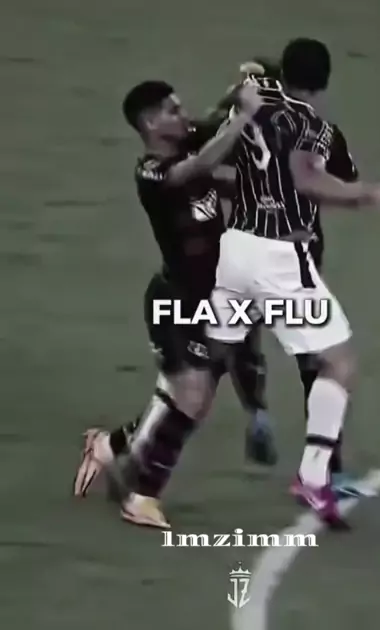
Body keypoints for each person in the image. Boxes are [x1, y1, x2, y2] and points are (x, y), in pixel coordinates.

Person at [206, 38, 380, 529]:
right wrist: (367, 195)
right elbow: (313, 180)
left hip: (236, 248)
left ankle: (138, 450)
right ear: (324, 80)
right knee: (337, 362)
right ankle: (317, 474)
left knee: (209, 360)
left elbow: (210, 165)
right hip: (282, 256)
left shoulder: (245, 112)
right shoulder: (313, 125)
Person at [74, 79, 263, 528]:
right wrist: (245, 115)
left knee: (191, 399)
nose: (183, 116)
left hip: (214, 298)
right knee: (190, 397)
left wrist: (240, 91)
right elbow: (200, 164)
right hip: (175, 302)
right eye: (172, 111)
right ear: (150, 123)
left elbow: (214, 129)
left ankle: (109, 448)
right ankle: (141, 498)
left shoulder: (189, 139)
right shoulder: (153, 172)